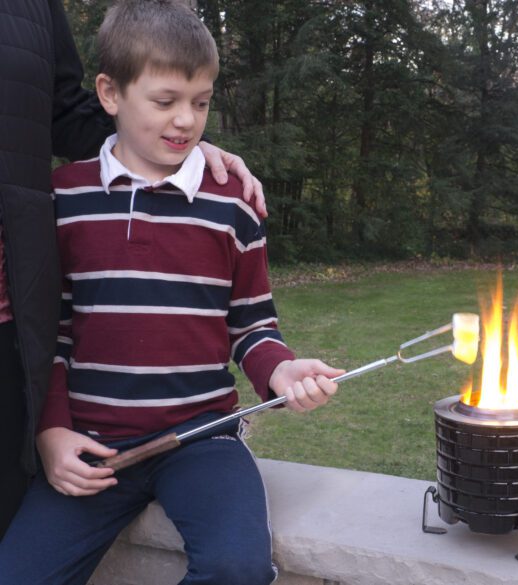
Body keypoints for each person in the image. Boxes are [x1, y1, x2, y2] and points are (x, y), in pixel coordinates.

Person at [0, 1, 343, 583]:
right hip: (93, 446)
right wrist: (52, 433)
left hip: (202, 441)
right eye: (165, 102)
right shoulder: (62, 199)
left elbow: (252, 322)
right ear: (110, 94)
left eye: (201, 103)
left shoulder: (233, 202)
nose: (186, 120)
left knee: (237, 568)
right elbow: (48, 333)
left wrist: (279, 372)